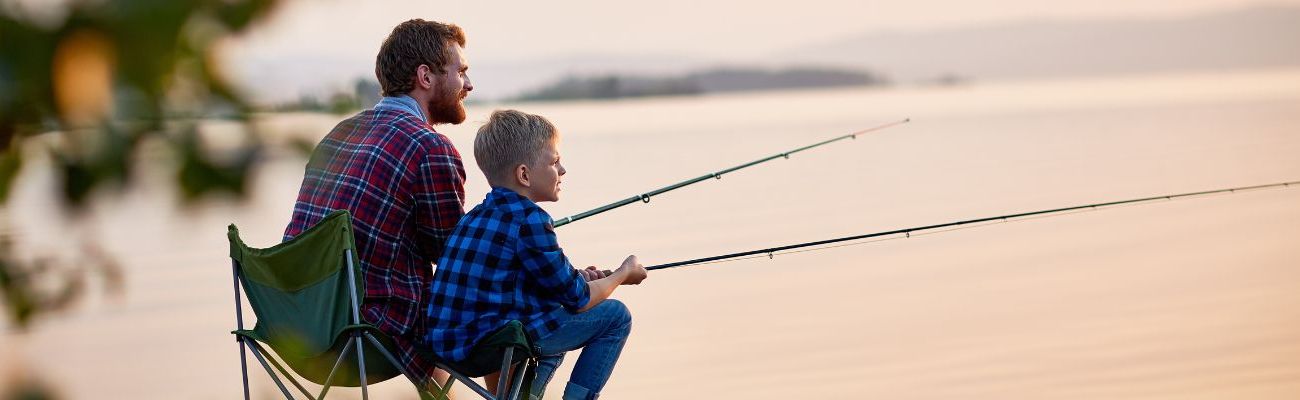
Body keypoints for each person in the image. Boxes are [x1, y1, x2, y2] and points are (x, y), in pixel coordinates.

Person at [282, 19, 473, 389]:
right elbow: (454, 260)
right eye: (461, 72)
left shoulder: (339, 132)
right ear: (426, 76)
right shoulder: (429, 147)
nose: (468, 84)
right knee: (504, 308)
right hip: (364, 337)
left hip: (300, 330)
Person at [426, 110, 648, 400]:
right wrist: (622, 274)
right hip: (494, 347)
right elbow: (578, 299)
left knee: (552, 309)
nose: (563, 170)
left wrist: (578, 277)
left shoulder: (473, 218)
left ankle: (526, 395)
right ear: (524, 174)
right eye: (555, 162)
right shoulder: (530, 220)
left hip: (447, 347)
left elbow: (529, 281)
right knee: (616, 316)